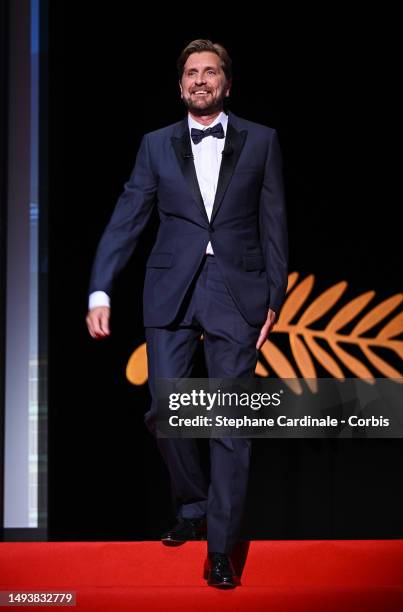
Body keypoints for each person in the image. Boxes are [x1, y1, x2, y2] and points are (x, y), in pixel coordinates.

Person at [86, 39, 288, 588]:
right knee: (166, 412)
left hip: (237, 292)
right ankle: (193, 505)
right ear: (180, 86)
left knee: (228, 424)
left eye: (211, 71)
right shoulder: (155, 146)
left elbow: (274, 222)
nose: (201, 80)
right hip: (170, 290)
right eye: (192, 73)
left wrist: (276, 296)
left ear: (226, 82)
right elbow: (129, 215)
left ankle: (219, 550)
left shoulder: (262, 141)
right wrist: (100, 289)